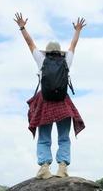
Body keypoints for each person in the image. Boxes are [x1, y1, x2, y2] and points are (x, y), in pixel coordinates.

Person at [13, 12, 86, 179]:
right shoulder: (67, 58)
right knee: (63, 137)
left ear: (47, 52)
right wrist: (78, 31)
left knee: (44, 137)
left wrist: (22, 27)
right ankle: (62, 168)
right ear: (59, 52)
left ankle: (44, 167)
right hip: (63, 103)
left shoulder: (41, 59)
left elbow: (29, 43)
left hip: (45, 103)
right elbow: (73, 45)